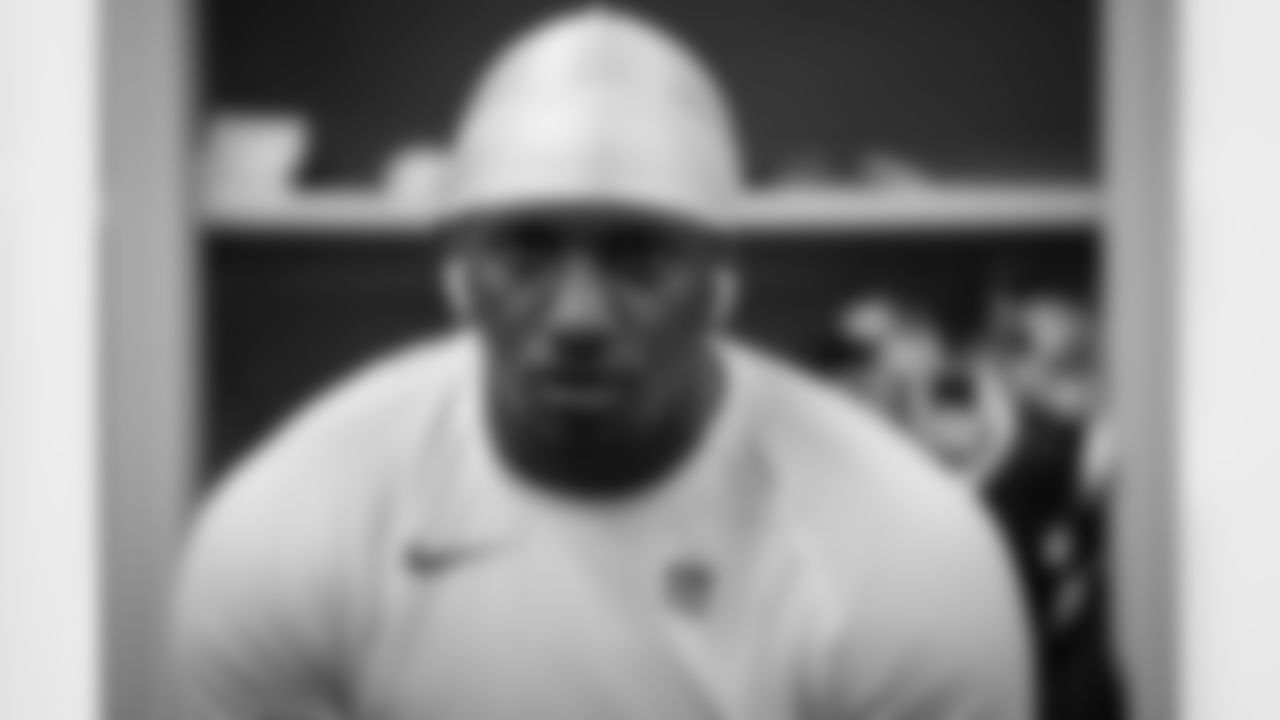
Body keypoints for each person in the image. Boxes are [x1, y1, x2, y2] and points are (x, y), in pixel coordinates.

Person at [173, 8, 1032, 720]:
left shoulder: (905, 558)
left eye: (639, 258)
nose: (579, 318)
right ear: (457, 277)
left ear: (721, 286)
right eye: (526, 254)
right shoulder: (289, 532)